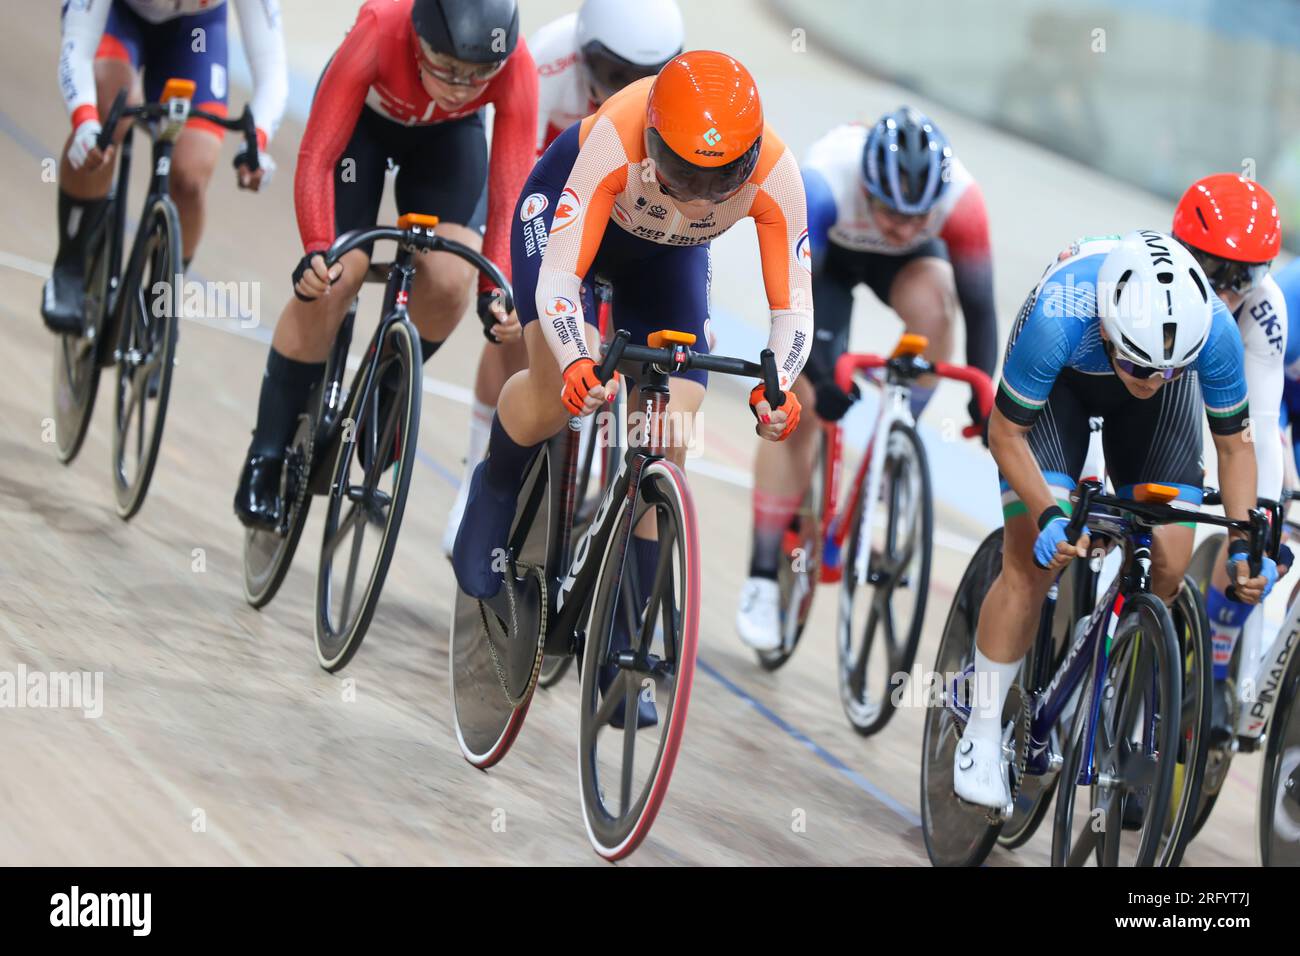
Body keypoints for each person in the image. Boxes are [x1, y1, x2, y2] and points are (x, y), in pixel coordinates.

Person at [450, 51, 813, 726]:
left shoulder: (778, 174)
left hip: (669, 260)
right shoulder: (616, 135)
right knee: (563, 380)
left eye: (722, 180)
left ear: (752, 156)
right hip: (570, 223)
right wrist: (575, 358)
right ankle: (495, 487)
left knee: (670, 432)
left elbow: (793, 309)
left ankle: (620, 641)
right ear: (652, 144)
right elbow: (559, 280)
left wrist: (779, 385)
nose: (703, 195)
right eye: (683, 175)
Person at [954, 230, 1276, 809]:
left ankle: (1105, 654)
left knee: (1173, 562)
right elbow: (1004, 434)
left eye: (1166, 372)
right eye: (1138, 365)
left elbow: (1235, 449)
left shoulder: (1212, 334)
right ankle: (979, 729)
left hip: (1146, 407)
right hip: (1062, 392)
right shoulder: (1061, 314)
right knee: (1032, 560)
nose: (1150, 380)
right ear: (1107, 326)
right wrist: (1049, 512)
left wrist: (1247, 543)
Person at [233, 0, 537, 529]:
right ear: (419, 38)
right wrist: (317, 249)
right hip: (362, 134)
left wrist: (496, 286)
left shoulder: (515, 64)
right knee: (338, 278)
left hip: (449, 142)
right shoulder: (379, 29)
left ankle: (388, 394)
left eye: (476, 76)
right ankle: (267, 451)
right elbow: (319, 158)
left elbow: (510, 190)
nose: (461, 87)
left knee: (449, 281)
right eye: (446, 67)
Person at [735, 106, 999, 651]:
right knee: (800, 409)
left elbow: (980, 310)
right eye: (890, 212)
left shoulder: (963, 206)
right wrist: (817, 376)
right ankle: (762, 578)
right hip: (825, 262)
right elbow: (791, 304)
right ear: (867, 187)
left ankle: (894, 437)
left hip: (900, 267)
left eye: (915, 218)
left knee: (938, 304)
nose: (902, 227)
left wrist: (983, 399)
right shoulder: (823, 183)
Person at [440, 0, 684, 555]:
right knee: (515, 324)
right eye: (615, 75)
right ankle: (475, 472)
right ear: (583, 55)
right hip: (546, 199)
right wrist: (504, 279)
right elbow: (509, 182)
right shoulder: (547, 61)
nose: (628, 90)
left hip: (627, 214)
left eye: (644, 78)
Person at [43, 0, 287, 334]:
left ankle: (161, 305)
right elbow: (77, 47)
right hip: (119, 16)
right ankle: (70, 268)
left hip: (195, 33)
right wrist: (84, 120)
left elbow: (272, 69)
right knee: (107, 113)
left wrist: (255, 143)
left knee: (190, 178)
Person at [1172, 174, 1290, 744]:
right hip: (1153, 385)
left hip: (1237, 403)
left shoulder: (1265, 308)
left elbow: (1261, 430)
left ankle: (1216, 664)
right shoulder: (1155, 281)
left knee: (1264, 526)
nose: (1224, 292)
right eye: (1211, 270)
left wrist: (1261, 526)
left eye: (1239, 277)